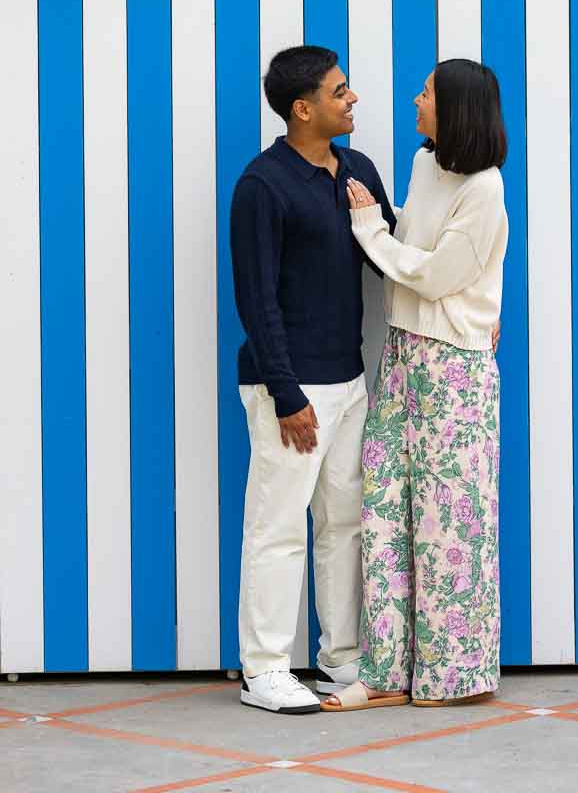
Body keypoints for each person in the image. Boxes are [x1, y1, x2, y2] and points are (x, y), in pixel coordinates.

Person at [322, 58, 508, 712]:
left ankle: (450, 676)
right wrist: (385, 218)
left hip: (454, 369)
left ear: (454, 106)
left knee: (449, 525)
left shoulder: (484, 188)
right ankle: (385, 669)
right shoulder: (429, 165)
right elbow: (421, 242)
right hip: (404, 356)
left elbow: (434, 275)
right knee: (384, 513)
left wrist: (371, 229)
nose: (414, 99)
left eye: (426, 92)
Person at [231, 45, 395, 715]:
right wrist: (287, 393)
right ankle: (264, 669)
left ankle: (340, 658)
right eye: (340, 90)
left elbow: (392, 256)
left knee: (344, 522)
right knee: (278, 527)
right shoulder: (262, 185)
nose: (352, 99)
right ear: (304, 109)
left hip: (350, 380)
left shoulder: (358, 169)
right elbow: (256, 298)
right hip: (290, 391)